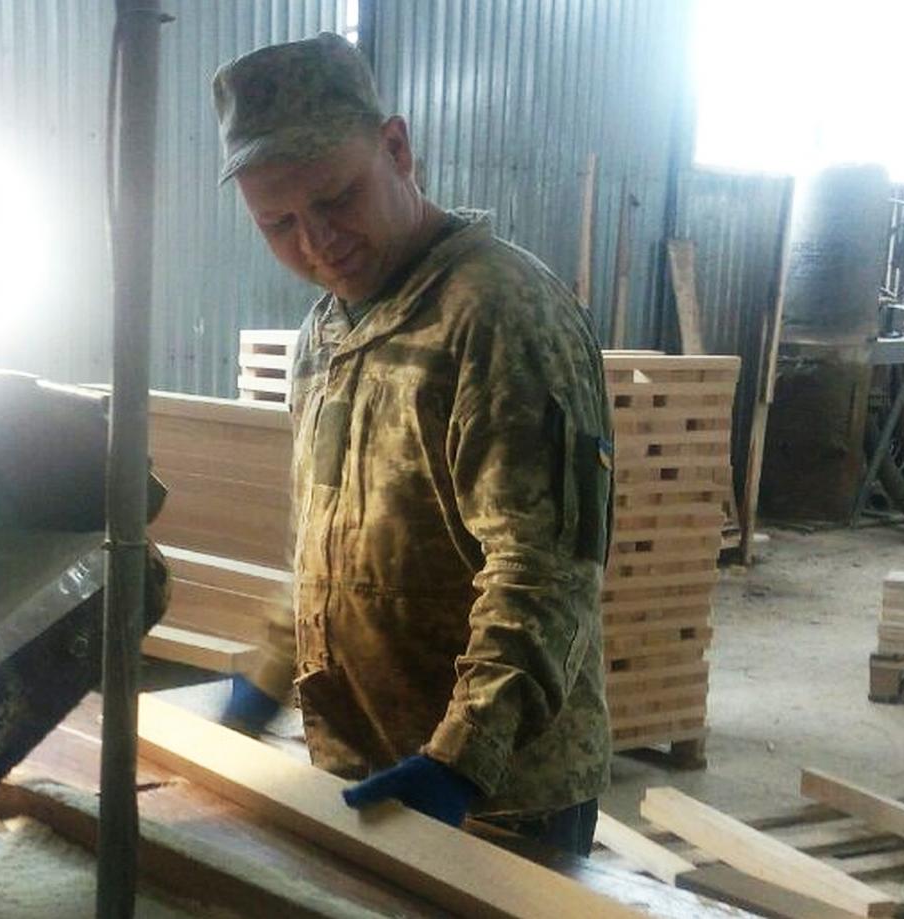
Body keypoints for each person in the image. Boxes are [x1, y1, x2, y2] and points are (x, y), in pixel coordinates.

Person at [210, 33, 614, 856]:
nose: (316, 242)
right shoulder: (325, 334)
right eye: (278, 224)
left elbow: (544, 570)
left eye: (336, 199)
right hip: (361, 769)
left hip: (496, 796)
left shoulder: (496, 314)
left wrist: (461, 759)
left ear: (397, 149)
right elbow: (323, 549)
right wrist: (269, 673)